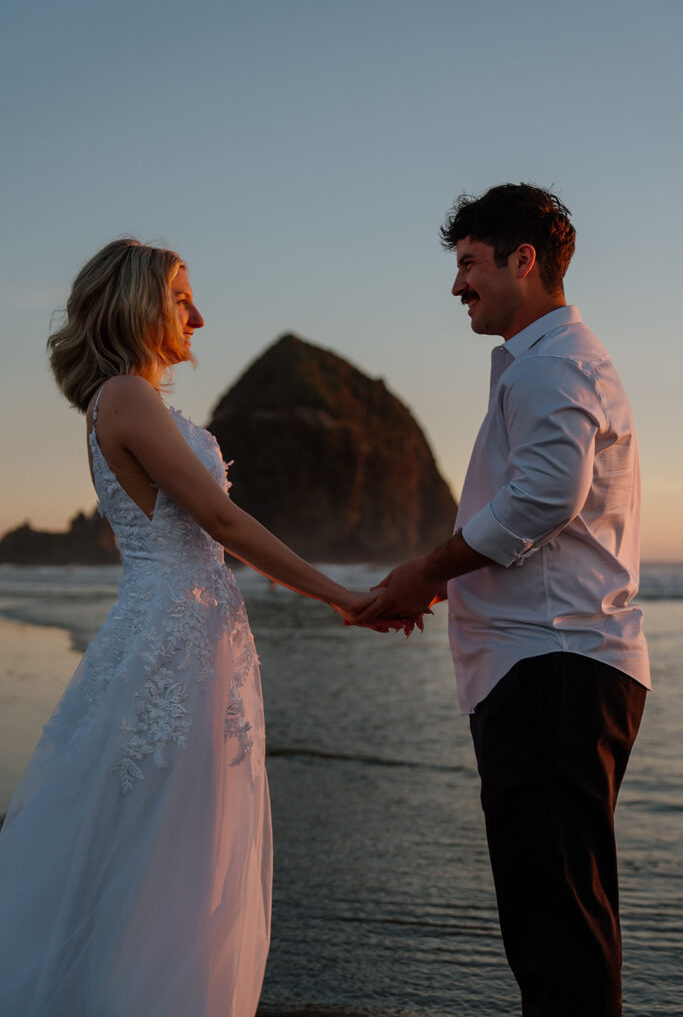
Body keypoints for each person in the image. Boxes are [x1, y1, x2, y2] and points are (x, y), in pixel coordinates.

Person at [0, 239, 380, 1017]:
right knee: (173, 854)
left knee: (174, 846)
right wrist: (339, 595)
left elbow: (213, 535)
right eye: (182, 297)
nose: (198, 316)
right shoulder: (127, 396)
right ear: (139, 303)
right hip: (175, 646)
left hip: (189, 636)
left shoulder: (131, 400)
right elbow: (217, 518)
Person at [355, 184, 650, 1017]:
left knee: (556, 923)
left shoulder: (554, 363)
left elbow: (543, 498)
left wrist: (428, 571)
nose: (457, 286)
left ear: (524, 262)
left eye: (468, 264)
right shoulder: (543, 361)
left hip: (552, 667)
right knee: (552, 914)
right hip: (547, 665)